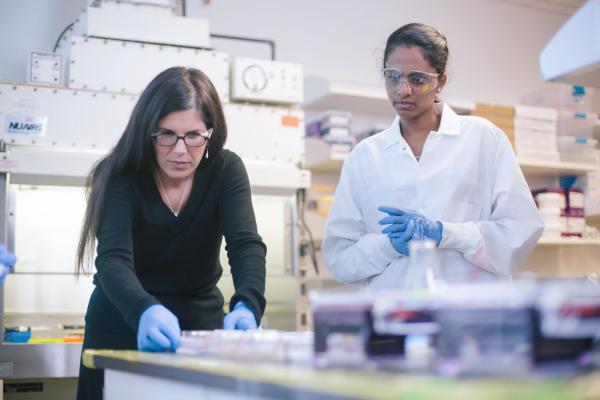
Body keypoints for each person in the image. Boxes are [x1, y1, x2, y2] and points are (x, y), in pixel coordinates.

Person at [75, 67, 267, 400]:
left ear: (210, 131)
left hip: (199, 329)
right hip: (122, 321)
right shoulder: (121, 174)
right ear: (147, 131)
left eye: (194, 136)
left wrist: (248, 305)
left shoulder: (225, 169)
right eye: (166, 135)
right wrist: (143, 310)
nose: (180, 150)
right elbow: (113, 260)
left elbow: (245, 244)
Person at [323, 23, 544, 289]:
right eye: (392, 76)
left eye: (417, 79)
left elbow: (520, 230)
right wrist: (389, 245)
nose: (402, 90)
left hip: (470, 316)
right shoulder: (364, 156)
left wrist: (444, 233)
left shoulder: (483, 139)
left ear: (440, 81)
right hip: (394, 317)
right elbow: (340, 259)